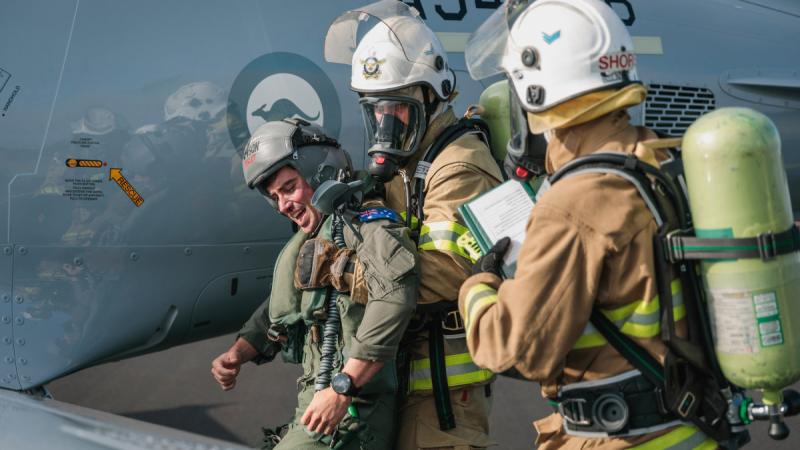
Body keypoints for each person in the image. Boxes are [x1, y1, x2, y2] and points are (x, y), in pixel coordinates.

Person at [458, 0, 717, 448]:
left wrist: (478, 286)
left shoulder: (573, 202)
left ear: (535, 95)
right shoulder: (658, 161)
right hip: (687, 429)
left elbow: (515, 348)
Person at [323, 2, 504, 448]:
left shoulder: (459, 165)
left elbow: (454, 271)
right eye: (376, 110)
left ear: (431, 95)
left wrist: (348, 273)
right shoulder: (409, 165)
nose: (386, 122)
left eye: (398, 108)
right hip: (404, 375)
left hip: (444, 395)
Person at [211, 118, 417, 449]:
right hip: (317, 405)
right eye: (275, 197)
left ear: (322, 173)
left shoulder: (366, 225)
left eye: (289, 188)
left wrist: (342, 387)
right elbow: (291, 304)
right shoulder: (322, 232)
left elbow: (395, 297)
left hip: (354, 412)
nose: (283, 206)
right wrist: (239, 352)